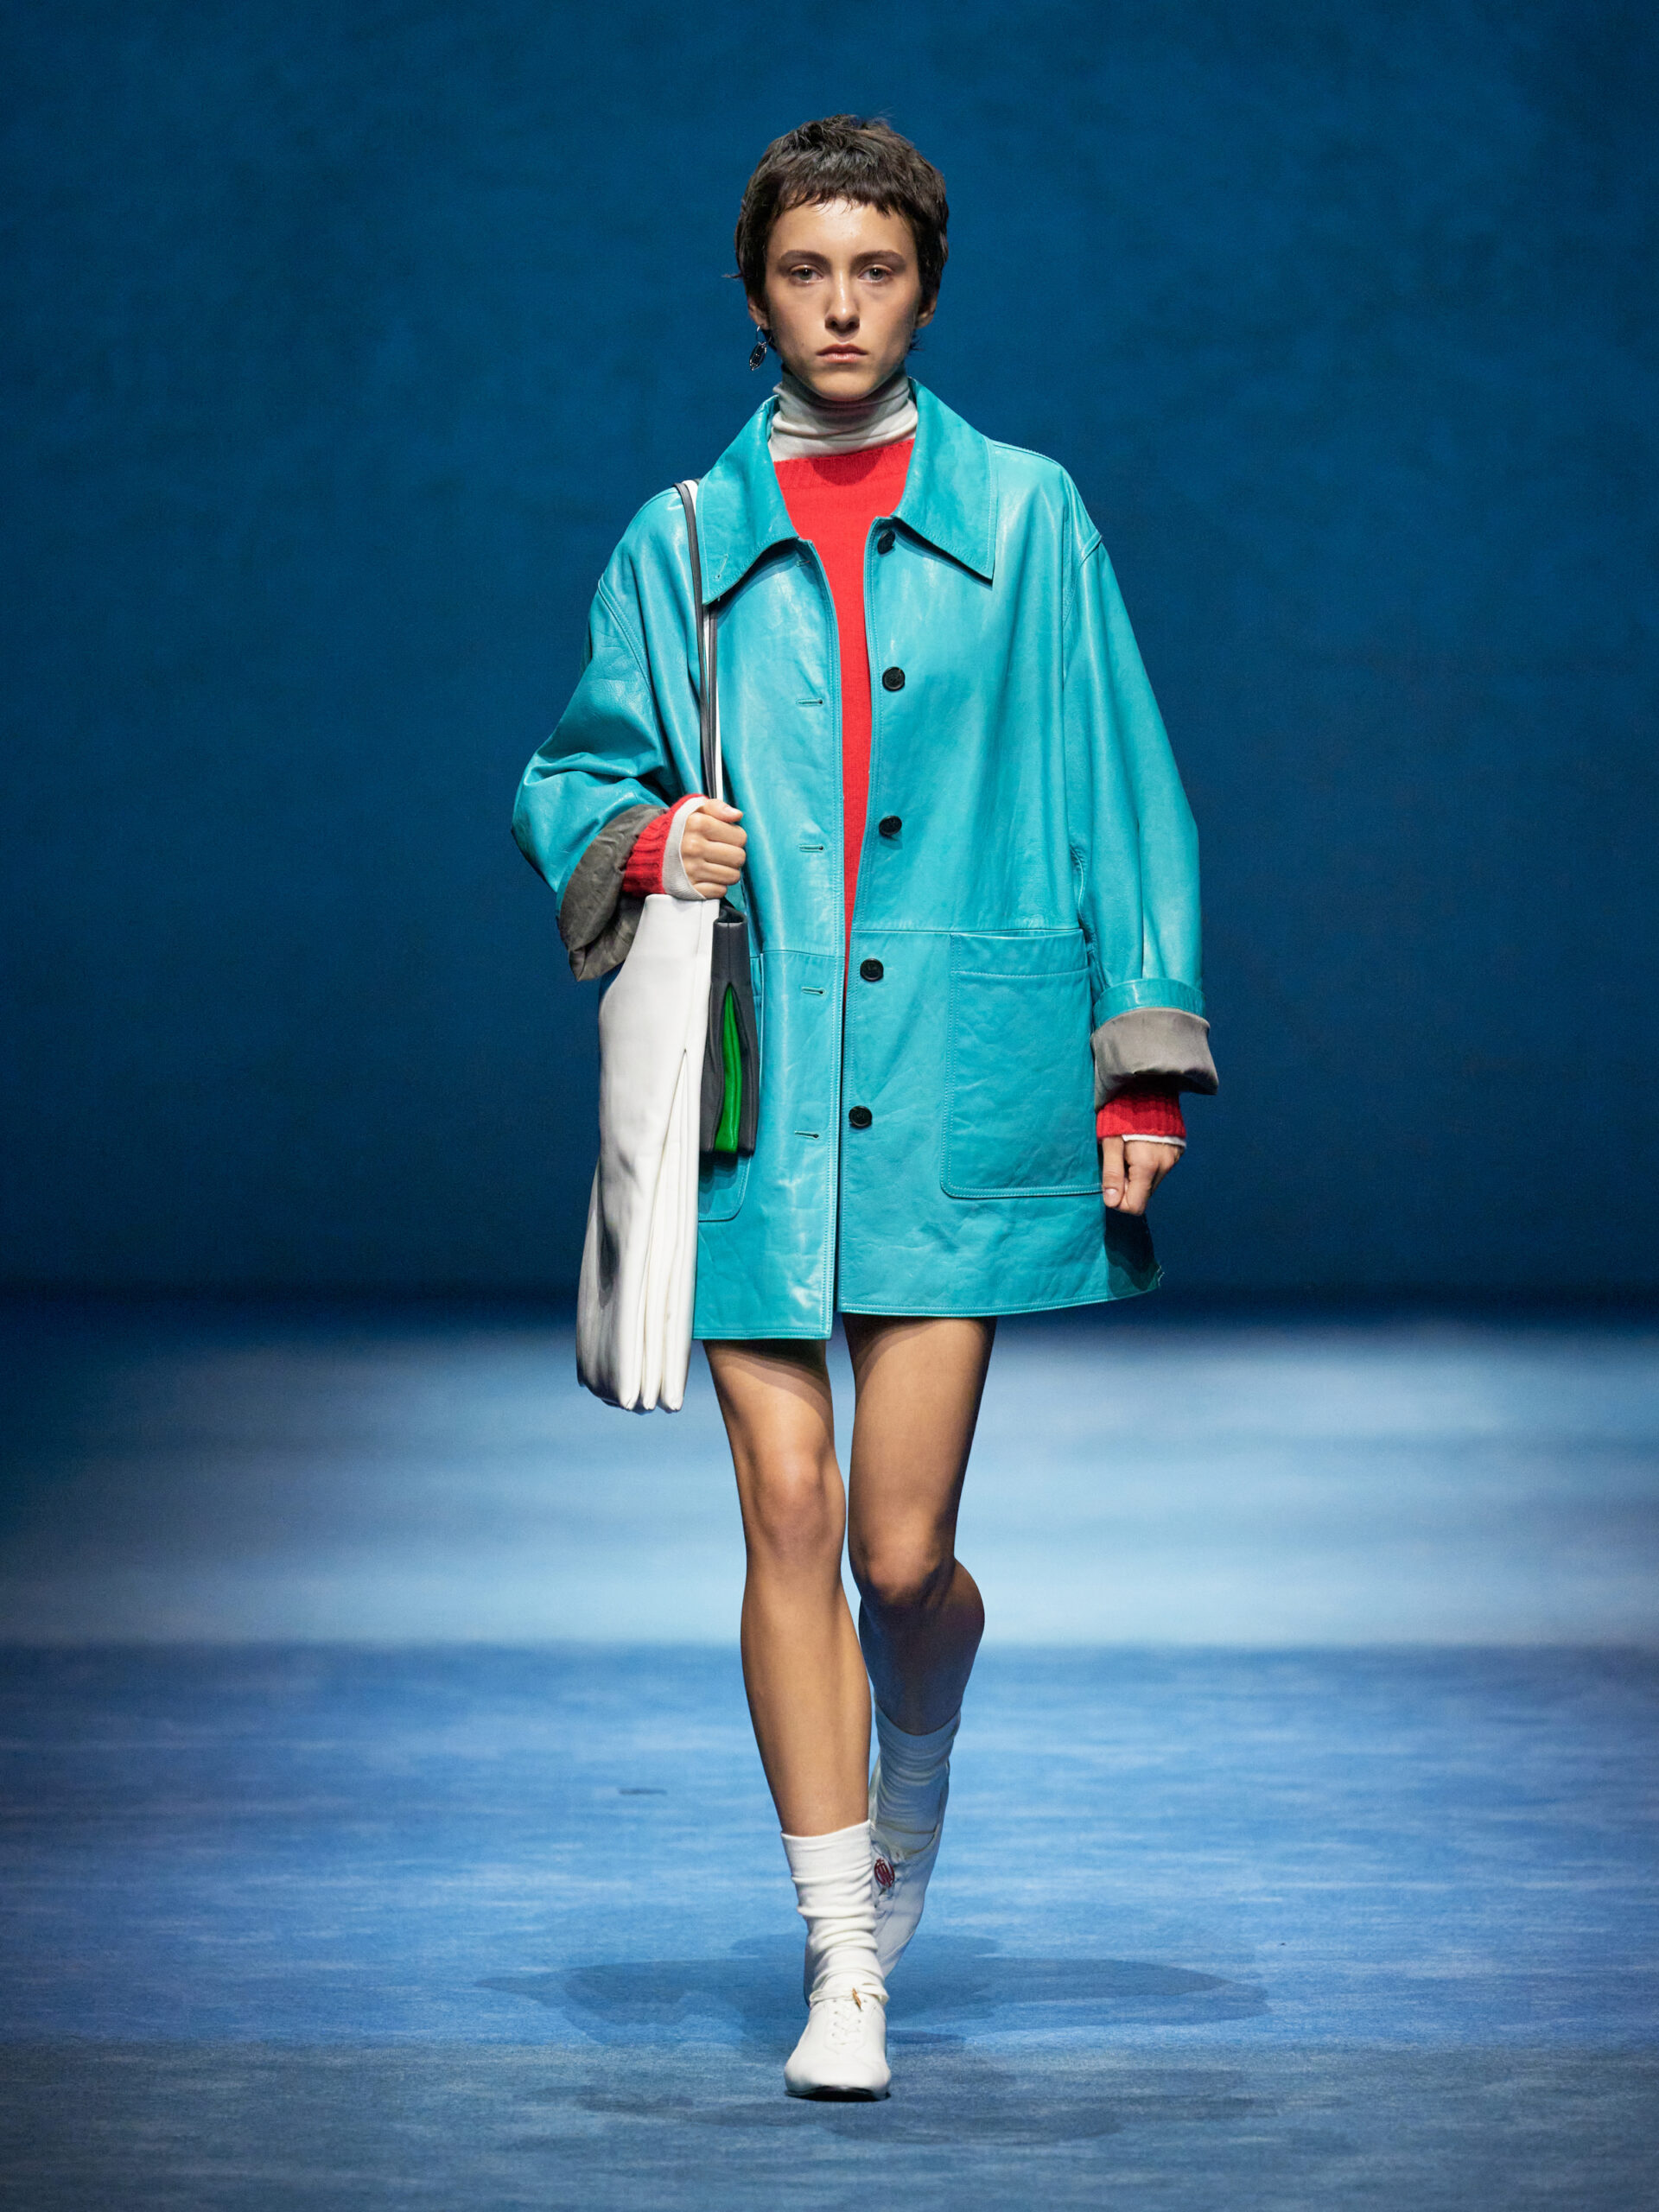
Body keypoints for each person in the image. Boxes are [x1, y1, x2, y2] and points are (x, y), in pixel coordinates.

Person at [512, 116, 1217, 2100]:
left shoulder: (1034, 518)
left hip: (962, 1077)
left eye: (876, 270)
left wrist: (1141, 1062)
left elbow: (1125, 786)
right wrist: (647, 838)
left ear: (926, 289)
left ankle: (921, 1746)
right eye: (806, 271)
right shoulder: (679, 540)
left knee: (903, 1561)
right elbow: (574, 775)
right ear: (755, 298)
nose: (840, 305)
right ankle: (839, 1952)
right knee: (789, 1512)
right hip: (753, 1094)